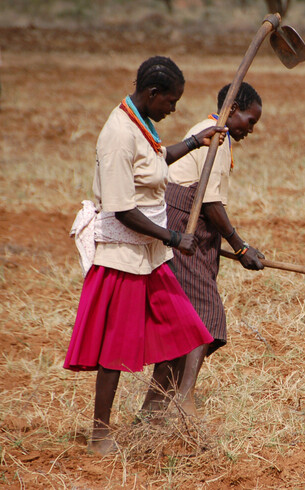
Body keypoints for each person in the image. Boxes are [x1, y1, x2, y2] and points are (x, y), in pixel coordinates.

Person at [64, 56, 227, 456]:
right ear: (152, 94)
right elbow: (122, 208)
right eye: (170, 102)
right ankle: (100, 433)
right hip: (123, 256)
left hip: (150, 255)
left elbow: (153, 166)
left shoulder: (141, 122)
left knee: (183, 328)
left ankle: (152, 416)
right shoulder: (118, 133)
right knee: (114, 350)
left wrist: (194, 142)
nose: (173, 109)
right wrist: (173, 236)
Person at [165, 82, 264, 414]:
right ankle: (183, 399)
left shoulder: (215, 134)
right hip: (184, 229)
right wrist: (240, 247)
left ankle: (155, 403)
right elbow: (210, 203)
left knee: (183, 319)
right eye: (250, 121)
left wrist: (240, 246)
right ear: (233, 109)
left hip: (188, 227)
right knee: (206, 316)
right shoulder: (215, 138)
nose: (251, 130)